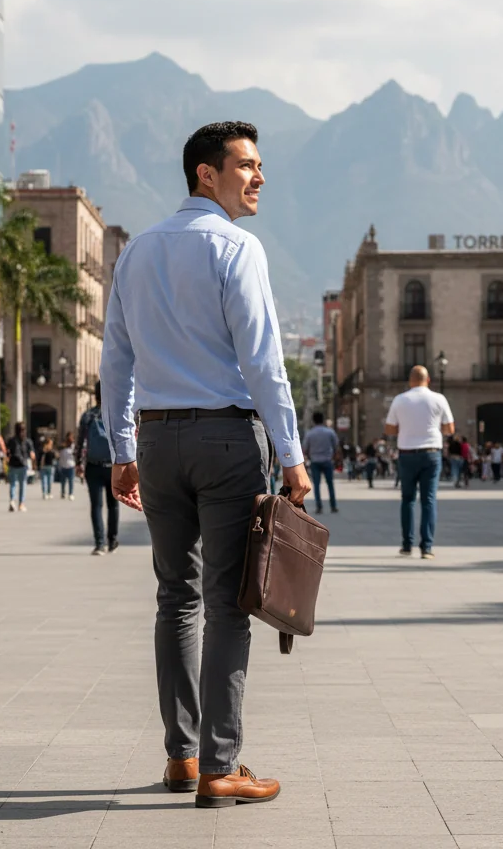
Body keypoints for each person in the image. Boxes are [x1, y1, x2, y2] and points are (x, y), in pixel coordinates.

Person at [103, 121, 311, 807]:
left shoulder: (135, 253)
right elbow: (263, 361)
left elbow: (116, 360)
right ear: (206, 173)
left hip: (157, 442)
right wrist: (291, 455)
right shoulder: (237, 248)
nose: (259, 177)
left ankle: (182, 758)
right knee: (226, 604)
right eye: (247, 165)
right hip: (226, 439)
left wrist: (122, 450)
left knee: (175, 599)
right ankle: (222, 766)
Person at [384, 365, 455, 560]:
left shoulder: (400, 399)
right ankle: (427, 547)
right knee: (428, 500)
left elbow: (389, 429)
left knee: (407, 499)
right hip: (431, 453)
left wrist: (407, 429)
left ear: (410, 381)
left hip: (407, 453)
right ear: (428, 380)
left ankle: (407, 545)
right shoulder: (439, 399)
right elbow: (449, 429)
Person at [76, 381, 119, 554]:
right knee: (113, 505)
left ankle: (100, 544)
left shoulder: (88, 416)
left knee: (96, 506)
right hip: (113, 466)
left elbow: (80, 442)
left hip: (93, 466)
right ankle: (113, 540)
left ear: (95, 395)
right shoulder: (116, 414)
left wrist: (78, 463)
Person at [302, 411, 339, 514]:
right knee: (330, 484)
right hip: (327, 460)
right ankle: (333, 506)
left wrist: (309, 456)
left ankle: (319, 506)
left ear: (313, 420)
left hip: (315, 461)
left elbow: (305, 448)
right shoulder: (330, 432)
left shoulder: (310, 434)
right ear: (323, 420)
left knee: (317, 485)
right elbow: (336, 445)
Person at [6, 422, 35, 512]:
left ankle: (12, 500)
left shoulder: (11, 440)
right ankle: (21, 504)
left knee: (13, 484)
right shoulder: (27, 441)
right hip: (23, 465)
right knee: (22, 485)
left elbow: (7, 452)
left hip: (12, 464)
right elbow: (32, 454)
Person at [58, 431, 76, 500]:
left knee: (71, 481)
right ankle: (63, 493)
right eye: (69, 437)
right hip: (63, 466)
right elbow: (59, 451)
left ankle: (71, 494)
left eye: (71, 437)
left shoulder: (73, 446)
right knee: (63, 481)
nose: (70, 439)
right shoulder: (63, 446)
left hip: (71, 466)